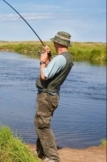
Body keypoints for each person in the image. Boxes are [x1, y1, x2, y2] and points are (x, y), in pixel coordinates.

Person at [34, 31, 74, 162]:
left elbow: (44, 75)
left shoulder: (60, 59)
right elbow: (54, 69)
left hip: (47, 96)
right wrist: (49, 55)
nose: (53, 42)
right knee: (40, 123)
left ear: (58, 43)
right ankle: (41, 153)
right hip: (51, 95)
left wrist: (42, 61)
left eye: (54, 41)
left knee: (43, 126)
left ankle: (52, 158)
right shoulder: (66, 57)